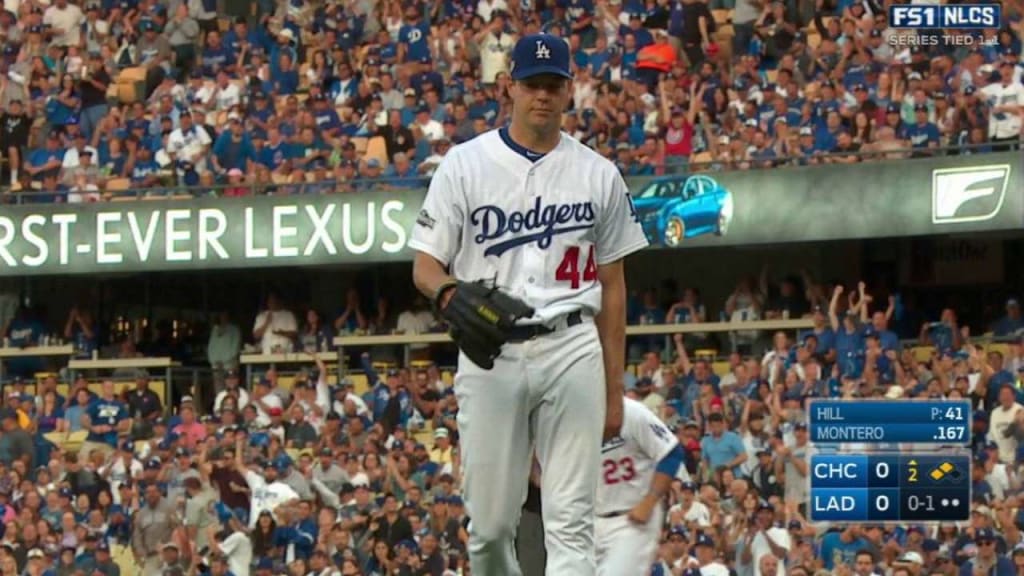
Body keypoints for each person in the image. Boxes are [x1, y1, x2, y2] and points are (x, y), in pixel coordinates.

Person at [408, 33, 648, 576]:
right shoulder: (465, 164)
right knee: (490, 530)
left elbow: (614, 287)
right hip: (492, 348)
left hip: (572, 344)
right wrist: (447, 291)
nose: (542, 95)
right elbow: (424, 265)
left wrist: (615, 389)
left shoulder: (599, 173)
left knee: (572, 527)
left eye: (553, 85)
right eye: (531, 85)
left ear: (569, 91)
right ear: (508, 87)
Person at [595, 396, 686, 576]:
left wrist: (650, 500)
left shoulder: (631, 412)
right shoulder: (573, 415)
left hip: (631, 519)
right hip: (591, 519)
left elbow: (672, 452)